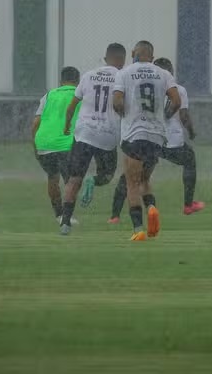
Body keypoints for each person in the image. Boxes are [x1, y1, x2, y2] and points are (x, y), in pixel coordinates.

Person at [110, 57, 203, 222]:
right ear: (169, 72)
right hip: (170, 141)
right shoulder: (179, 90)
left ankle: (115, 215)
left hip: (146, 137)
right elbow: (183, 115)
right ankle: (188, 204)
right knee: (189, 160)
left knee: (131, 176)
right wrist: (191, 131)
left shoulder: (140, 85)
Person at [112, 41, 181, 241]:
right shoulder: (163, 73)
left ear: (134, 53)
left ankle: (138, 229)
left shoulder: (124, 73)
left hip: (134, 134)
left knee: (132, 183)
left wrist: (122, 113)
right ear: (151, 56)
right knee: (145, 180)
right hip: (157, 136)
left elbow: (116, 101)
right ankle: (151, 207)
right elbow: (176, 101)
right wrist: (165, 116)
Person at [58, 45, 125, 236]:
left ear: (105, 58)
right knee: (106, 176)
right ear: (122, 60)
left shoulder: (88, 76)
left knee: (73, 180)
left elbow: (72, 106)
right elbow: (121, 105)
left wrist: (67, 126)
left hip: (84, 134)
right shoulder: (122, 78)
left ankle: (65, 223)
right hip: (108, 134)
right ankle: (92, 180)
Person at [32, 66, 81, 225]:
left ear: (61, 81)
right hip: (65, 143)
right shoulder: (80, 95)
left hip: (44, 142)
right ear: (78, 81)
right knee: (71, 181)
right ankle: (66, 218)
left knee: (52, 178)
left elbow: (35, 124)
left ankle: (58, 215)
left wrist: (36, 146)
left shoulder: (49, 95)